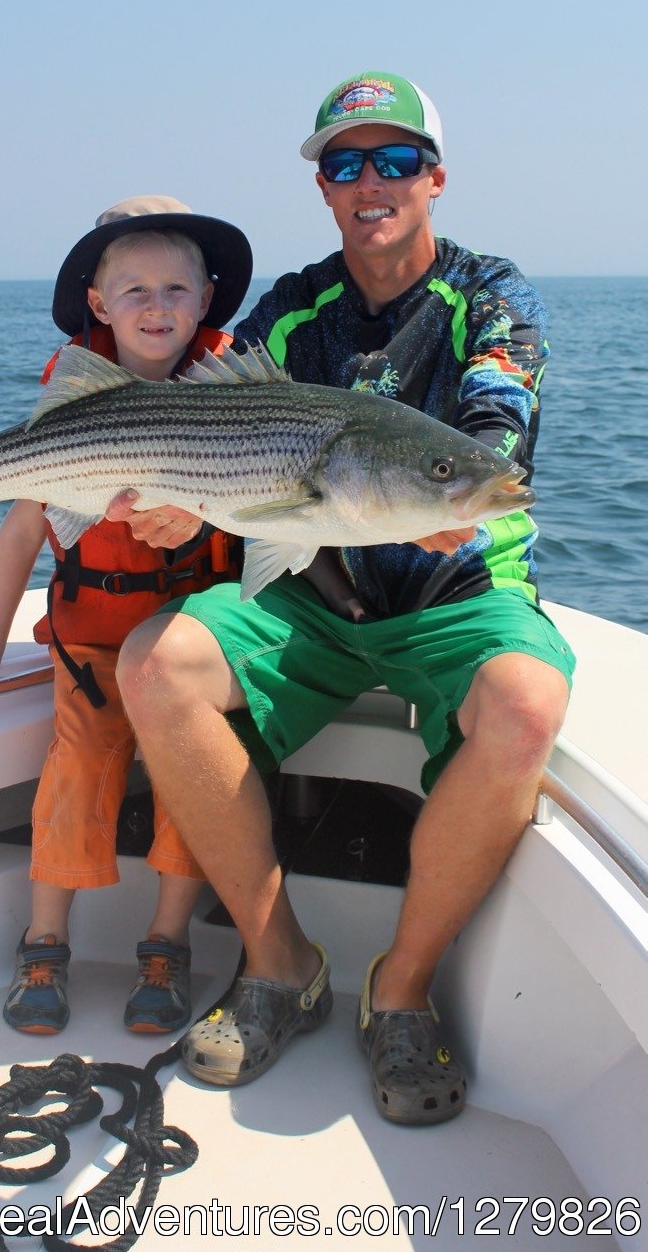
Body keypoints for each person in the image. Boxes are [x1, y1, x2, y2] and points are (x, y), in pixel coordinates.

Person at [112, 72, 576, 1125]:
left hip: (452, 585)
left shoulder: (489, 294)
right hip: (311, 596)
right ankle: (280, 963)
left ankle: (400, 987)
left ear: (434, 176)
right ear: (322, 187)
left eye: (394, 159)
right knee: (156, 663)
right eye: (344, 163)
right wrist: (186, 501)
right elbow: (209, 425)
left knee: (523, 704)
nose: (370, 182)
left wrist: (464, 480)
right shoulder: (292, 307)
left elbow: (498, 418)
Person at [0, 196, 252, 1037]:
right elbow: (27, 521)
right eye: (132, 287)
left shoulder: (238, 379)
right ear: (99, 303)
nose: (157, 304)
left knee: (192, 785)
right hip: (92, 637)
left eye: (176, 287)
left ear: (205, 298)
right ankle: (44, 944)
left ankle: (165, 945)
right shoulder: (74, 388)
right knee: (75, 775)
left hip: (189, 642)